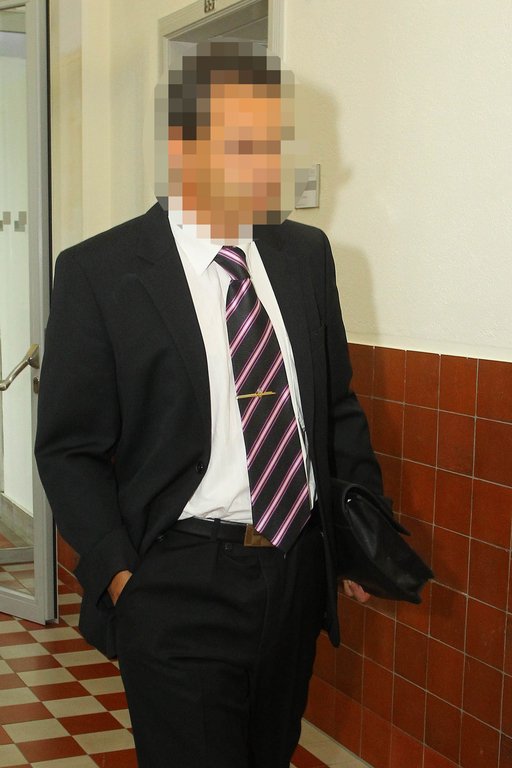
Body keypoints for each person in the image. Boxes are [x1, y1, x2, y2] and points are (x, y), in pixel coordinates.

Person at [35, 41, 383, 768]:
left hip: (292, 570)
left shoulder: (305, 256)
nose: (269, 166)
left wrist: (357, 533)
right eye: (246, 145)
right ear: (182, 147)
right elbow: (70, 450)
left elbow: (334, 406)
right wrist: (122, 576)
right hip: (176, 580)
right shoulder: (101, 272)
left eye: (273, 144)